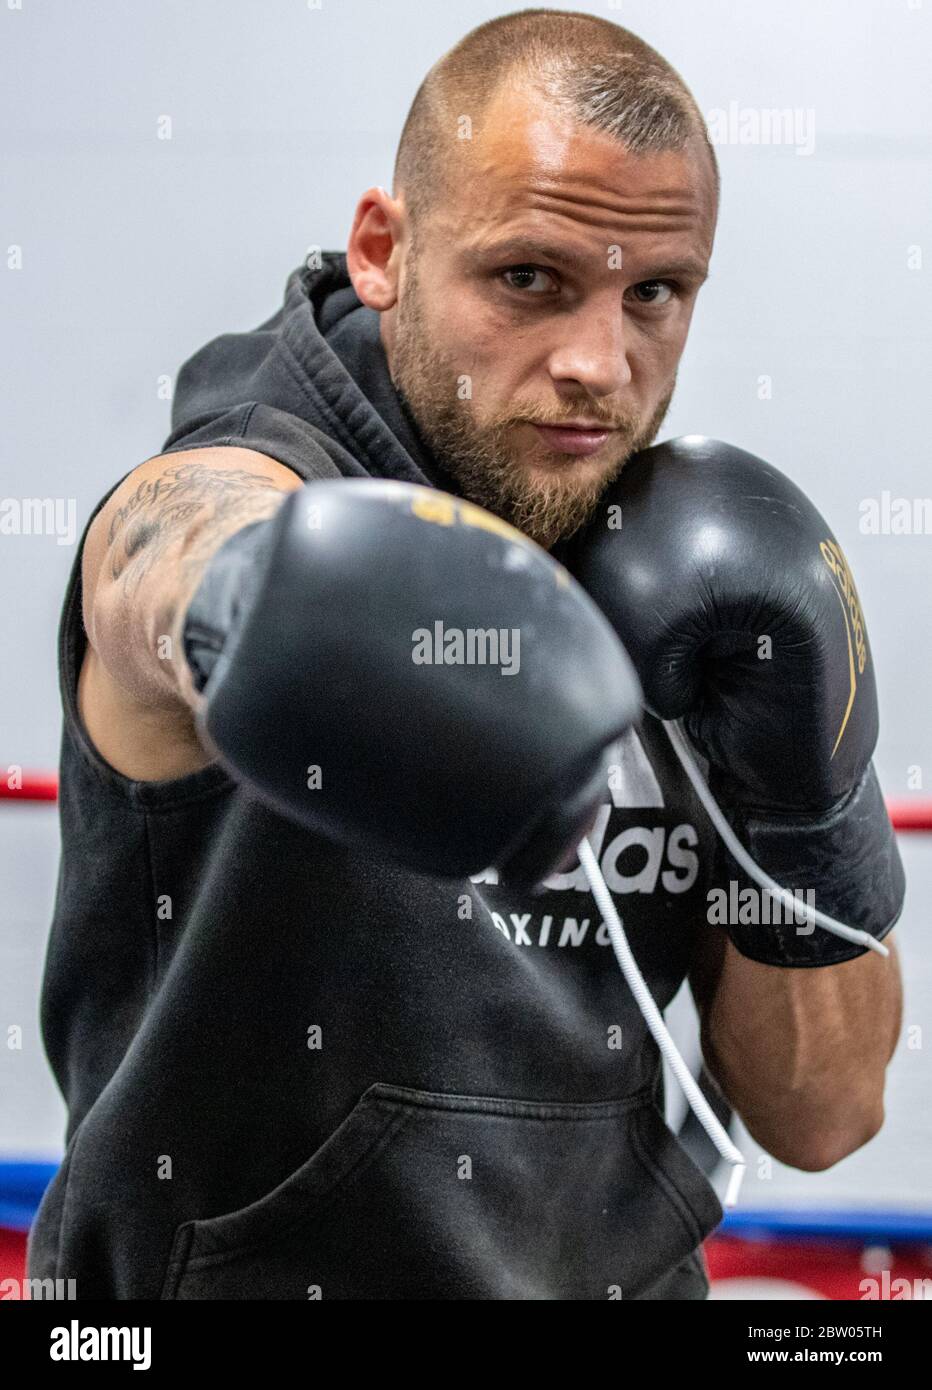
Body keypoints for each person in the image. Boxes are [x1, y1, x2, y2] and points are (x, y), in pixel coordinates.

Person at [27, 8, 903, 1300]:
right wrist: (261, 595)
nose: (599, 364)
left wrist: (805, 796)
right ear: (384, 250)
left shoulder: (693, 584)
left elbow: (826, 1112)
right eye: (531, 280)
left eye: (654, 293)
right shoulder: (267, 470)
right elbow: (162, 548)